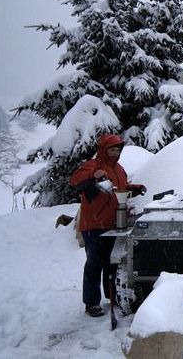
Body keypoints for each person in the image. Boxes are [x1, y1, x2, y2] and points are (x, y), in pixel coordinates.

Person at [69, 134, 145, 317]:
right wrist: (93, 175)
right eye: (112, 149)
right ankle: (91, 303)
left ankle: (113, 297)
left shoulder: (119, 169)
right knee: (94, 263)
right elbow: (75, 180)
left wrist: (133, 189)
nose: (115, 153)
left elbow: (120, 191)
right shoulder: (92, 165)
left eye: (118, 150)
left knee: (113, 262)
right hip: (94, 223)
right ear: (104, 149)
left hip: (114, 223)